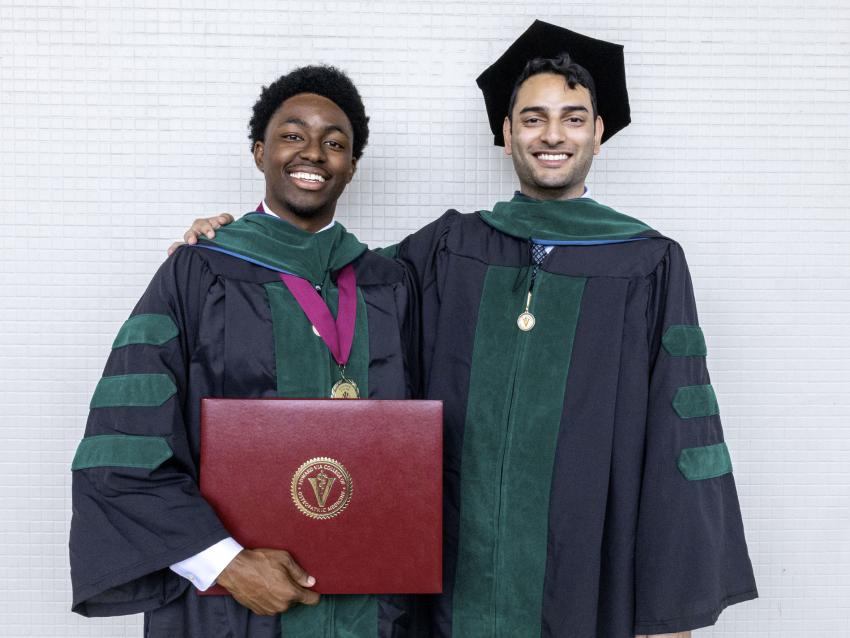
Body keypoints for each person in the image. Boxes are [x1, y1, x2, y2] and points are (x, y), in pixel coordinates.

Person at [181, 21, 758, 637]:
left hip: (587, 573)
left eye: (572, 117)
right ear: (507, 136)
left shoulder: (648, 263)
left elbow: (681, 438)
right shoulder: (449, 248)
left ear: (599, 132)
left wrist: (669, 615)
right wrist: (239, 242)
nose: (553, 135)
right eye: (533, 119)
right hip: (450, 569)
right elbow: (333, 286)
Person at [70, 65, 421, 637]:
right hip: (230, 609)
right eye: (292, 135)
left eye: (335, 143)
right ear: (259, 152)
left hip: (369, 606)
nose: (314, 153)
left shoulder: (390, 282)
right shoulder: (200, 269)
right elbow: (125, 443)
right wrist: (225, 565)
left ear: (351, 167)